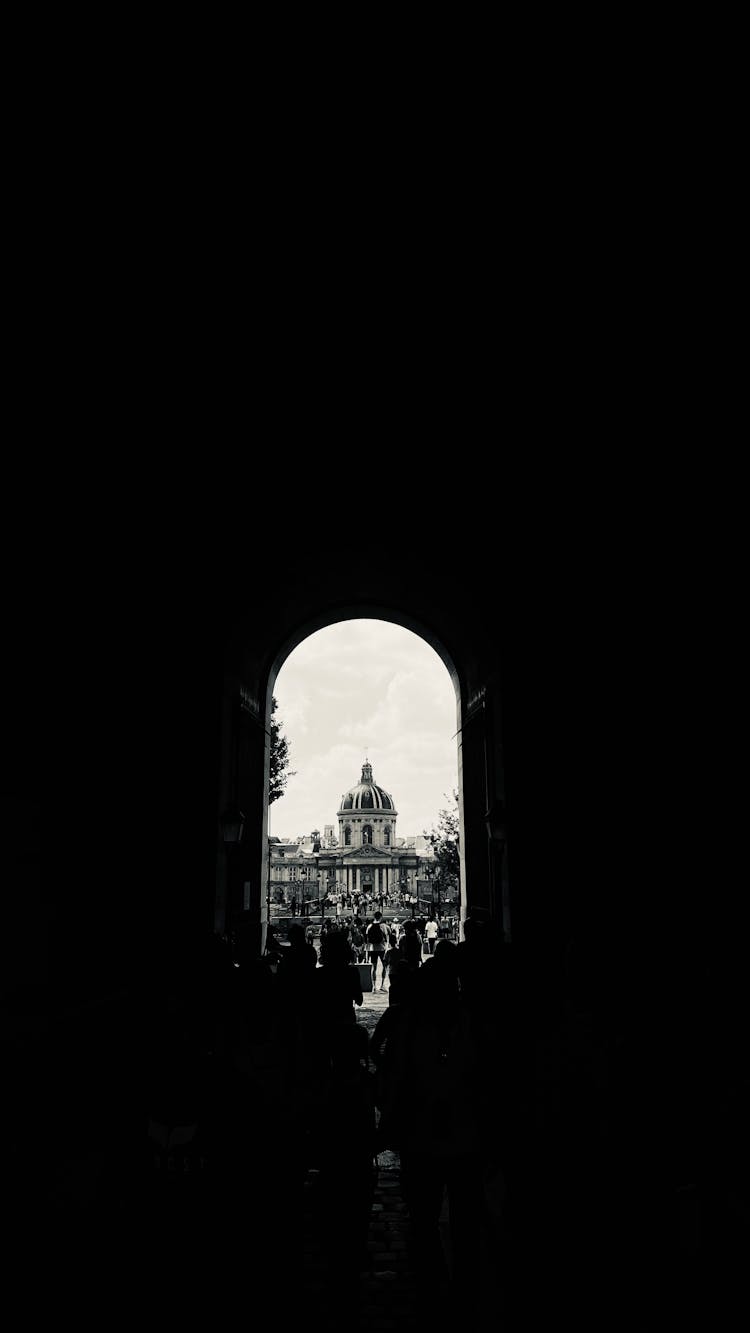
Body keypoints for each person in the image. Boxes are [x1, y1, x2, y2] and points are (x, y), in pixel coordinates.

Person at [366, 913, 388, 993]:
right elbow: (385, 937)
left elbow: (367, 940)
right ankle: (382, 985)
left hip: (372, 949)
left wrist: (367, 951)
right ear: (381, 917)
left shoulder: (369, 926)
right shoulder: (383, 926)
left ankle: (374, 987)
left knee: (373, 967)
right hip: (381, 948)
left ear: (374, 917)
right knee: (384, 966)